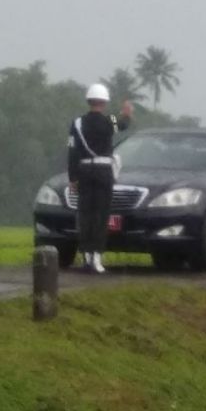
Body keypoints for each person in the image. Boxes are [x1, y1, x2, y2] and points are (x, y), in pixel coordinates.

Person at [67, 83, 132, 273]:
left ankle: (86, 256)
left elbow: (72, 151)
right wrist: (127, 112)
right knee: (101, 215)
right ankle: (97, 258)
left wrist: (73, 177)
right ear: (104, 102)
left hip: (85, 171)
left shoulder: (77, 123)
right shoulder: (109, 120)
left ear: (89, 101)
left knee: (85, 214)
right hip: (104, 171)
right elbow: (124, 124)